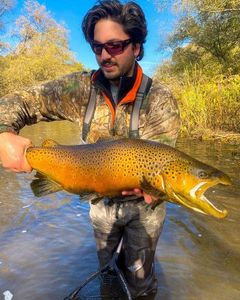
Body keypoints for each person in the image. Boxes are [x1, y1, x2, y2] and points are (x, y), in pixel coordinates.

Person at [0, 0, 180, 298]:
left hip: (145, 208)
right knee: (108, 279)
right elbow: (20, 101)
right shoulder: (79, 89)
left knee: (141, 282)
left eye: (115, 46)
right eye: (97, 47)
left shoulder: (160, 101)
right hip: (100, 205)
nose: (104, 55)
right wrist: (4, 134)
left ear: (136, 47)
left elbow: (163, 164)